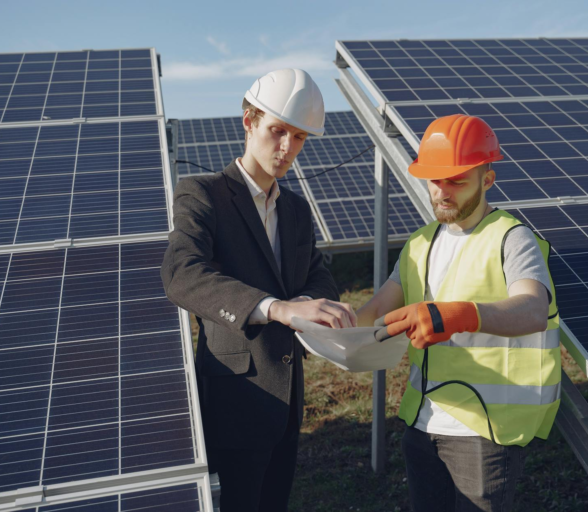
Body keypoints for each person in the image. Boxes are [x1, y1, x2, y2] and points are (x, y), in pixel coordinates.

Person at [161, 68, 356, 512]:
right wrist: (275, 308)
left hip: (288, 399)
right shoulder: (202, 194)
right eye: (277, 131)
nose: (288, 148)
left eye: (300, 137)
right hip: (237, 397)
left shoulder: (297, 211)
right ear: (248, 122)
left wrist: (305, 304)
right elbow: (181, 274)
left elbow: (319, 276)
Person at [359, 114, 561, 511]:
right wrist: (324, 323)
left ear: (487, 179)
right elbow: (373, 312)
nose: (442, 192)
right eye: (435, 180)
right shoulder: (418, 244)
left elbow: (534, 309)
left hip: (483, 432)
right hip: (422, 423)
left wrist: (460, 314)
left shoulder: (511, 237)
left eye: (457, 180)